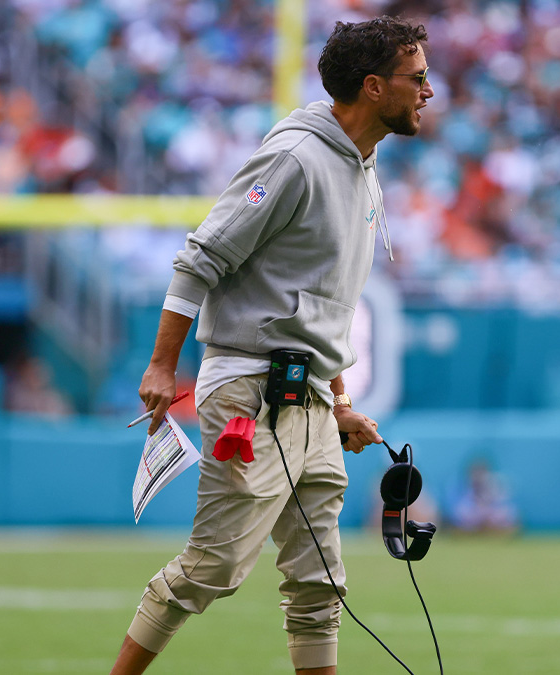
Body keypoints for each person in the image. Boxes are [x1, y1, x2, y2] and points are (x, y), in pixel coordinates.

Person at [109, 17, 434, 675]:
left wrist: (339, 400)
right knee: (213, 566)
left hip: (312, 398)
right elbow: (200, 256)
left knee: (321, 584)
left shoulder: (364, 168)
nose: (429, 90)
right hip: (250, 395)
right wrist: (162, 363)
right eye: (417, 77)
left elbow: (326, 307)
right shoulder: (295, 157)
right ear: (373, 87)